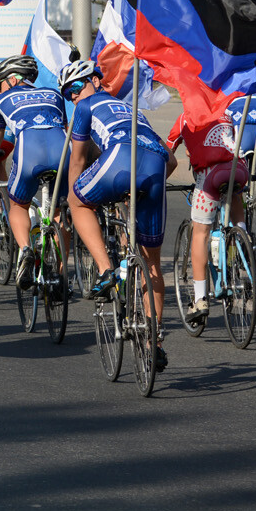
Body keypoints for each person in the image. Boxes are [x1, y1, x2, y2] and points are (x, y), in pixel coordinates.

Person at [62, 59, 177, 373]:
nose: (72, 96)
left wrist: (74, 195)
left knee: (77, 201)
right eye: (66, 93)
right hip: (154, 163)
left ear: (96, 81)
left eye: (75, 87)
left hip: (119, 157)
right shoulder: (134, 109)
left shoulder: (84, 108)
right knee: (152, 263)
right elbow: (173, 163)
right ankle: (155, 343)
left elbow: (78, 160)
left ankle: (104, 270)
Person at [0, 54, 70, 289]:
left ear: (12, 80)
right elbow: (66, 129)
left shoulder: (2, 99)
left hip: (29, 151)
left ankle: (26, 250)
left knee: (18, 205)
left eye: (0, 84)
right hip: (62, 151)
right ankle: (60, 274)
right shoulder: (53, 94)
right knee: (60, 214)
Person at [167, 107, 248, 325]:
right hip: (239, 170)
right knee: (234, 194)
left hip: (210, 175)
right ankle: (242, 239)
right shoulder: (226, 113)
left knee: (200, 233)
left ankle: (201, 298)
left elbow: (168, 152)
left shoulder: (185, 116)